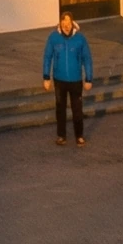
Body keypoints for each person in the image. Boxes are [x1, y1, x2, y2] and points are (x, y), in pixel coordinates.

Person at [40, 13, 94, 146]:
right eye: (64, 24)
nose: (66, 27)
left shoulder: (80, 39)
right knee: (60, 108)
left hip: (75, 80)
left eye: (68, 24)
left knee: (77, 109)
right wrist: (46, 77)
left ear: (72, 23)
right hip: (59, 80)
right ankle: (61, 135)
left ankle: (79, 136)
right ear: (60, 24)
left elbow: (87, 59)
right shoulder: (53, 38)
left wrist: (88, 78)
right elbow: (47, 57)